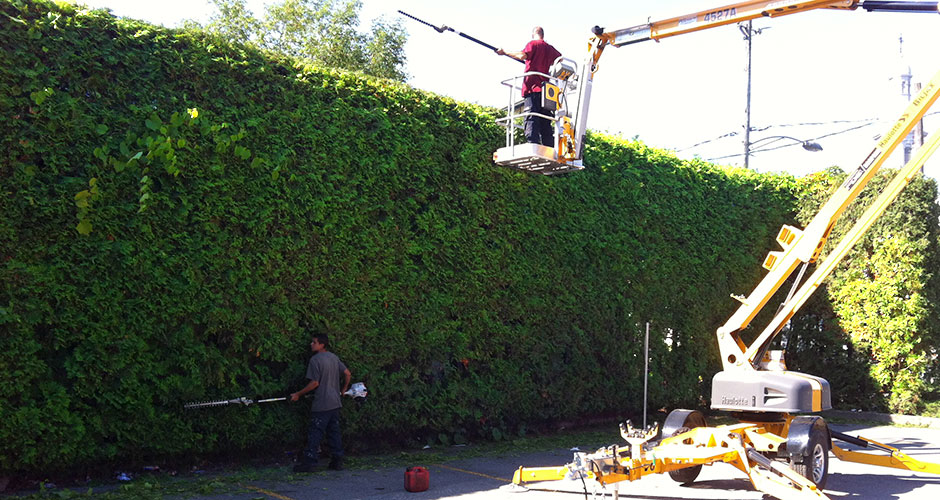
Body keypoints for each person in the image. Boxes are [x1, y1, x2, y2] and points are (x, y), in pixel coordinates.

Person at [291, 333, 352, 473]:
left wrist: (298, 394)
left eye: (314, 342)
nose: (311, 344)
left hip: (322, 403)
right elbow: (347, 373)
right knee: (334, 432)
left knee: (315, 433)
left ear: (322, 344)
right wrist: (344, 389)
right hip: (335, 402)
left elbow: (315, 383)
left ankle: (309, 463)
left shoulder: (315, 360)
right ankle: (337, 461)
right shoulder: (334, 357)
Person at [497, 27, 562, 147]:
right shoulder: (550, 48)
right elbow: (560, 58)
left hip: (533, 86)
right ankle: (549, 145)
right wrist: (547, 64)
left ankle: (532, 143)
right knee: (545, 119)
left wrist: (504, 52)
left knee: (531, 115)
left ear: (533, 35)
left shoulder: (533, 44)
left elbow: (522, 55)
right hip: (546, 90)